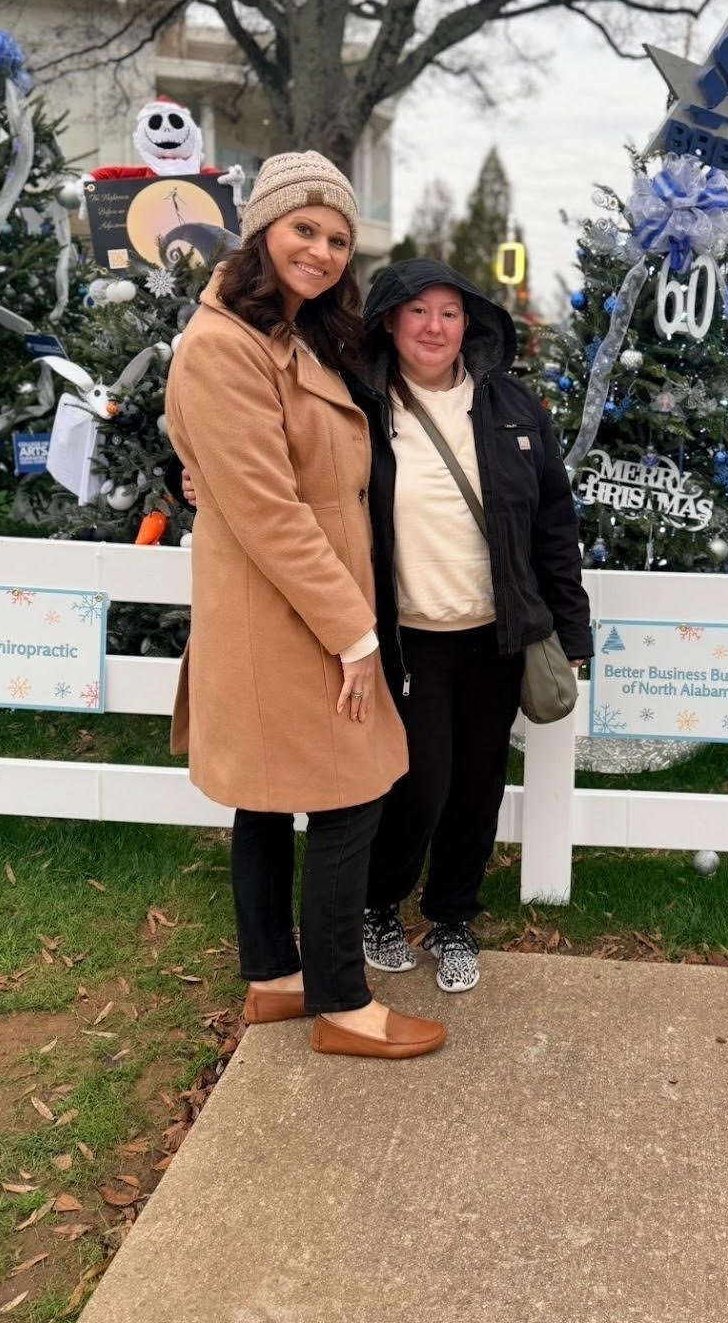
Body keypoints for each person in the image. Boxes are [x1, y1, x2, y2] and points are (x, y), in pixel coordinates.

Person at [164, 153, 446, 1060]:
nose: (323, 252)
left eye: (337, 238)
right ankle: (341, 1002)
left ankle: (274, 981)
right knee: (348, 792)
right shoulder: (223, 345)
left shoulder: (293, 333)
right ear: (262, 231)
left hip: (294, 600)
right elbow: (273, 514)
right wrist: (354, 634)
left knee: (268, 797)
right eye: (304, 231)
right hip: (283, 609)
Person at [355, 260, 592, 993]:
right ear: (390, 322)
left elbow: (554, 525)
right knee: (420, 783)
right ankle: (378, 904)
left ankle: (453, 916)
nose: (434, 327)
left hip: (496, 635)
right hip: (408, 637)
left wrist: (572, 634)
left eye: (450, 313)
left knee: (478, 787)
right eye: (417, 312)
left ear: (471, 325)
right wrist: (191, 479)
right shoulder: (357, 406)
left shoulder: (513, 408)